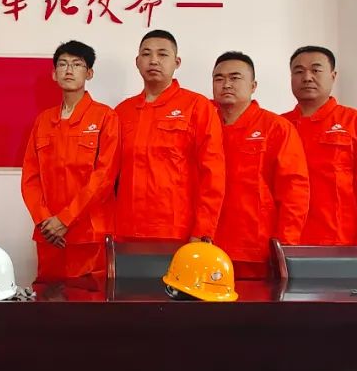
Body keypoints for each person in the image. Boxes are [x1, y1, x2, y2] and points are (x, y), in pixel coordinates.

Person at [21, 41, 119, 301]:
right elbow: (30, 178)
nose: (69, 70)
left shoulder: (105, 117)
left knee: (88, 304)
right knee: (47, 300)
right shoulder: (43, 120)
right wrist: (45, 221)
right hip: (49, 236)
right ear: (54, 74)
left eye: (77, 64)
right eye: (63, 64)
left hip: (88, 236)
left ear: (89, 73)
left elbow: (104, 177)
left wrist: (65, 220)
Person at [115, 30, 225, 243]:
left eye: (162, 54)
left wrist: (202, 231)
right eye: (146, 54)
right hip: (126, 230)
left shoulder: (197, 106)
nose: (154, 60)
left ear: (177, 62)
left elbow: (213, 174)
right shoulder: (122, 112)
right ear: (137, 62)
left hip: (177, 230)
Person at [282, 46, 357, 246]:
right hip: (286, 241)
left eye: (316, 70)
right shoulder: (278, 126)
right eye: (299, 71)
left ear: (333, 76)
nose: (307, 77)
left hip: (342, 242)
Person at [212, 52, 309, 275]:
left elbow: (294, 191)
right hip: (208, 244)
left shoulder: (276, 127)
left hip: (257, 249)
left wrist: (284, 246)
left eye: (235, 78)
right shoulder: (205, 123)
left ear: (253, 85)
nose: (226, 84)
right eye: (219, 78)